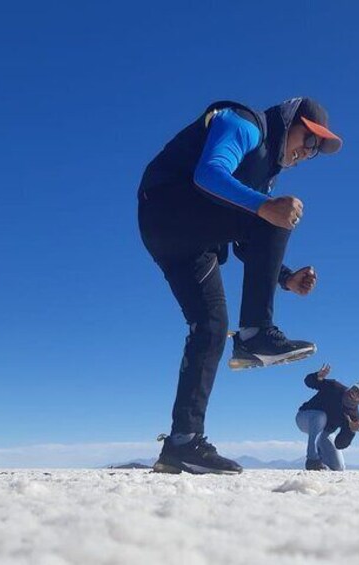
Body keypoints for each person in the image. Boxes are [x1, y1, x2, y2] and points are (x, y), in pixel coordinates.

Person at [137, 97, 343, 474]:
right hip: (167, 207)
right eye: (308, 140)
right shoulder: (246, 124)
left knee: (210, 327)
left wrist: (286, 277)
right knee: (278, 210)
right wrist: (265, 208)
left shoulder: (263, 175)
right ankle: (255, 333)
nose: (306, 153)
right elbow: (209, 173)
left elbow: (249, 241)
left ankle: (182, 444)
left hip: (187, 241)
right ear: (290, 121)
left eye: (315, 151)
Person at [296, 363, 359, 471]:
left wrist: (351, 431)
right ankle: (312, 459)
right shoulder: (334, 387)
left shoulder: (353, 416)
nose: (354, 392)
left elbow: (340, 444)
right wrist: (318, 376)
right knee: (321, 416)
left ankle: (320, 466)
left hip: (324, 432)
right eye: (355, 388)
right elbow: (308, 382)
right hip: (305, 417)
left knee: (338, 467)